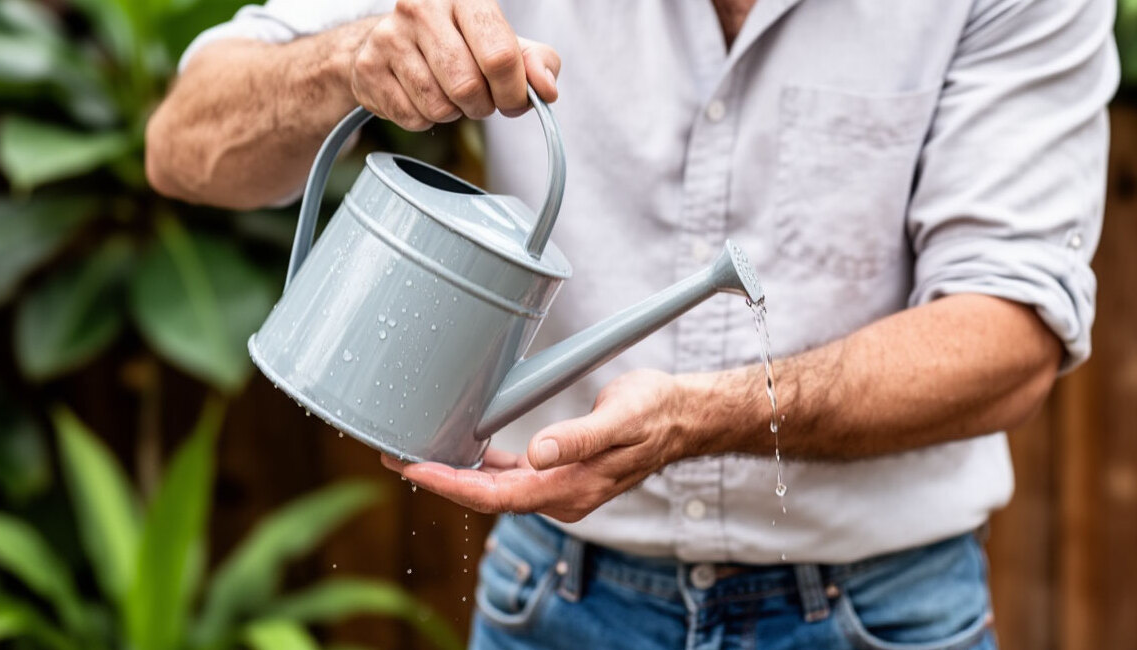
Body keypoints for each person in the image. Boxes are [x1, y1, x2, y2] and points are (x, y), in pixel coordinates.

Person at [146, 1, 1117, 648]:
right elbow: (184, 143)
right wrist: (348, 64)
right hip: (553, 601)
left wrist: (709, 414)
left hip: (884, 611)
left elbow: (1009, 335)